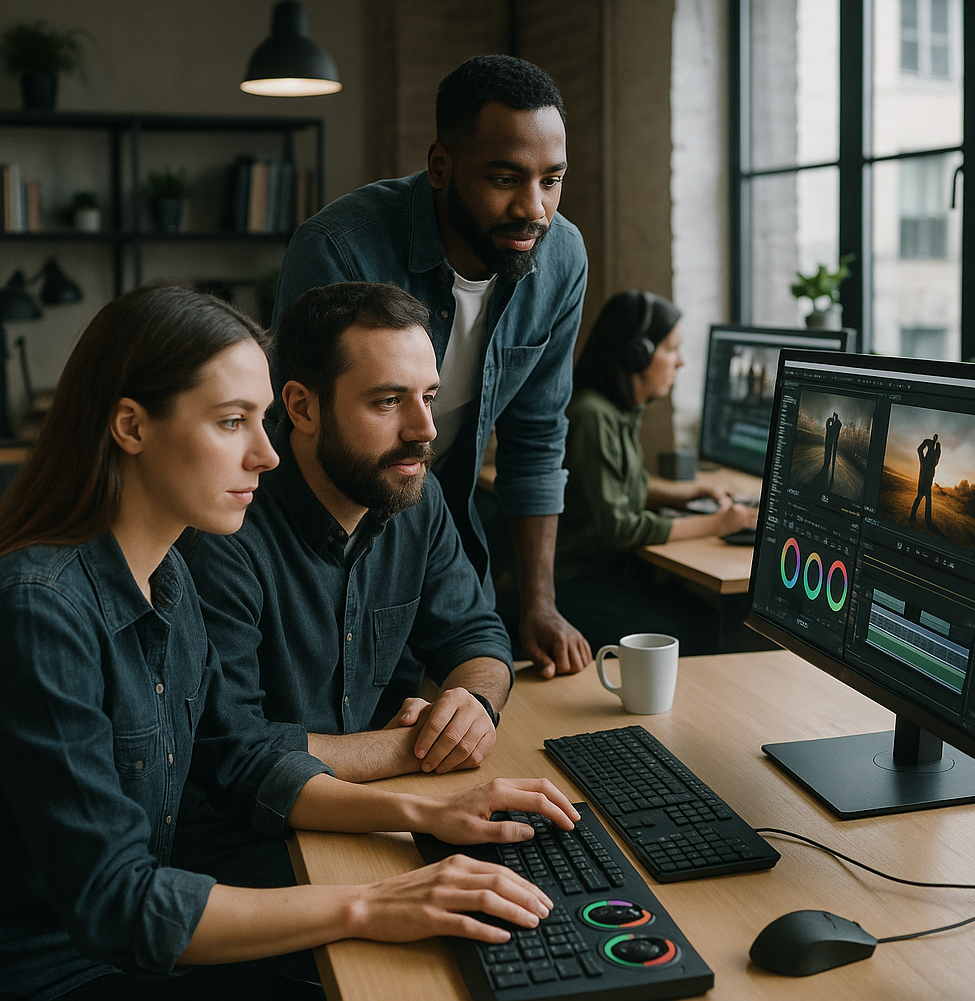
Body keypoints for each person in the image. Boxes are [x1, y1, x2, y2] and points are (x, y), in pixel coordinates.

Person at [0, 284, 578, 1001]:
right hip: (63, 973)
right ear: (131, 426)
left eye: (262, 420)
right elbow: (119, 903)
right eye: (232, 422)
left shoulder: (167, 575)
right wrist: (368, 903)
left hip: (148, 946)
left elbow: (237, 764)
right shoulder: (40, 607)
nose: (268, 455)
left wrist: (424, 814)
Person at [172, 281, 519, 889]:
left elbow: (475, 632)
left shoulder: (416, 495)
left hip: (373, 817)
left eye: (429, 397)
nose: (424, 430)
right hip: (240, 850)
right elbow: (233, 751)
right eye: (388, 402)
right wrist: (411, 747)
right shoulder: (225, 523)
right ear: (302, 408)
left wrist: (473, 704)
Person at [272, 54, 590, 681]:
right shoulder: (340, 248)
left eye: (551, 180)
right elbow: (301, 430)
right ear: (440, 166)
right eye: (506, 178)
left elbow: (537, 436)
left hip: (442, 536)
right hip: (320, 538)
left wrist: (540, 602)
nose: (535, 209)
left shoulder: (561, 259)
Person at [555, 290, 756, 651]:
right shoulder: (592, 416)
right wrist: (717, 523)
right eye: (672, 349)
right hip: (578, 581)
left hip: (606, 573)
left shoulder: (618, 411)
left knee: (707, 614)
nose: (680, 363)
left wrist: (688, 494)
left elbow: (617, 489)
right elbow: (620, 528)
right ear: (637, 354)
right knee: (705, 626)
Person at [910, 432, 941, 529]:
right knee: (920, 496)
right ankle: (913, 516)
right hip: (924, 474)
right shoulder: (928, 442)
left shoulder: (938, 448)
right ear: (933, 437)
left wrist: (932, 466)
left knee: (927, 498)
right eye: (934, 437)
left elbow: (937, 460)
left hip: (930, 474)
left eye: (937, 437)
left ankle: (927, 519)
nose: (935, 438)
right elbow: (919, 449)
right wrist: (923, 461)